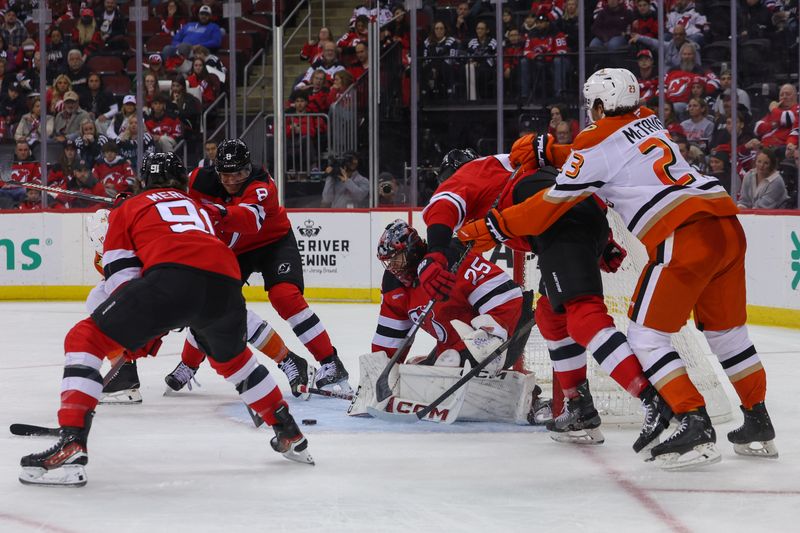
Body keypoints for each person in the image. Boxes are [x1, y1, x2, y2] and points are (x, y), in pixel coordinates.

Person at [458, 68, 778, 469]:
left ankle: (692, 420)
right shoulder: (649, 118)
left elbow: (548, 206)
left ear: (597, 105)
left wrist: (493, 225)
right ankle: (758, 420)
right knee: (728, 334)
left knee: (646, 336)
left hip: (684, 233)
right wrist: (553, 152)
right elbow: (611, 154)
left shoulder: (595, 139)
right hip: (727, 225)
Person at [18, 152, 313, 487]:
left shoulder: (128, 209)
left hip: (172, 279)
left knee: (83, 338)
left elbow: (121, 276)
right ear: (179, 181)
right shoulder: (197, 206)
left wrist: (141, 330)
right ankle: (289, 432)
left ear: (143, 181)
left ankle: (72, 439)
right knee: (235, 361)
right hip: (227, 282)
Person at [425, 146, 672, 448]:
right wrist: (604, 241)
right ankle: (578, 406)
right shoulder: (503, 167)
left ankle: (654, 401)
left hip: (557, 224)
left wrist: (434, 252)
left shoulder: (465, 177)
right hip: (580, 217)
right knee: (550, 315)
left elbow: (442, 207)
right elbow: (567, 185)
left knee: (583, 315)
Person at [167, 139, 352, 395]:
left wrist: (216, 211)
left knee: (285, 297)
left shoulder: (262, 184)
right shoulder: (199, 179)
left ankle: (331, 363)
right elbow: (167, 194)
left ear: (248, 168)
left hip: (273, 242)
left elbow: (249, 222)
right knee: (209, 301)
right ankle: (188, 363)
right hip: (235, 251)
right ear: (215, 170)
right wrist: (135, 201)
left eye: (239, 174)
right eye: (226, 175)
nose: (232, 181)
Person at [372, 219, 525, 374]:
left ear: (412, 250)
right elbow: (388, 341)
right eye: (389, 262)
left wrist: (490, 337)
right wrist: (380, 372)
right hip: (453, 351)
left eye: (397, 260)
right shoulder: (394, 286)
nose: (393, 268)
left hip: (503, 337)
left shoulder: (451, 257)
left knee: (448, 366)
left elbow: (508, 296)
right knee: (416, 374)